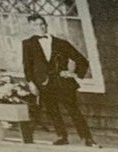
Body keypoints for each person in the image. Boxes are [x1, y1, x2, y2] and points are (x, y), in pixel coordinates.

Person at [21, 15, 92, 145]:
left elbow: (82, 61)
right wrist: (31, 83)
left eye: (42, 24)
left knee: (73, 110)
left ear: (46, 25)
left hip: (63, 82)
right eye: (36, 25)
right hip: (44, 83)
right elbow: (27, 66)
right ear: (30, 27)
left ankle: (86, 138)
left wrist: (72, 73)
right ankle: (62, 137)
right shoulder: (28, 44)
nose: (40, 27)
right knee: (53, 111)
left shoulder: (61, 43)